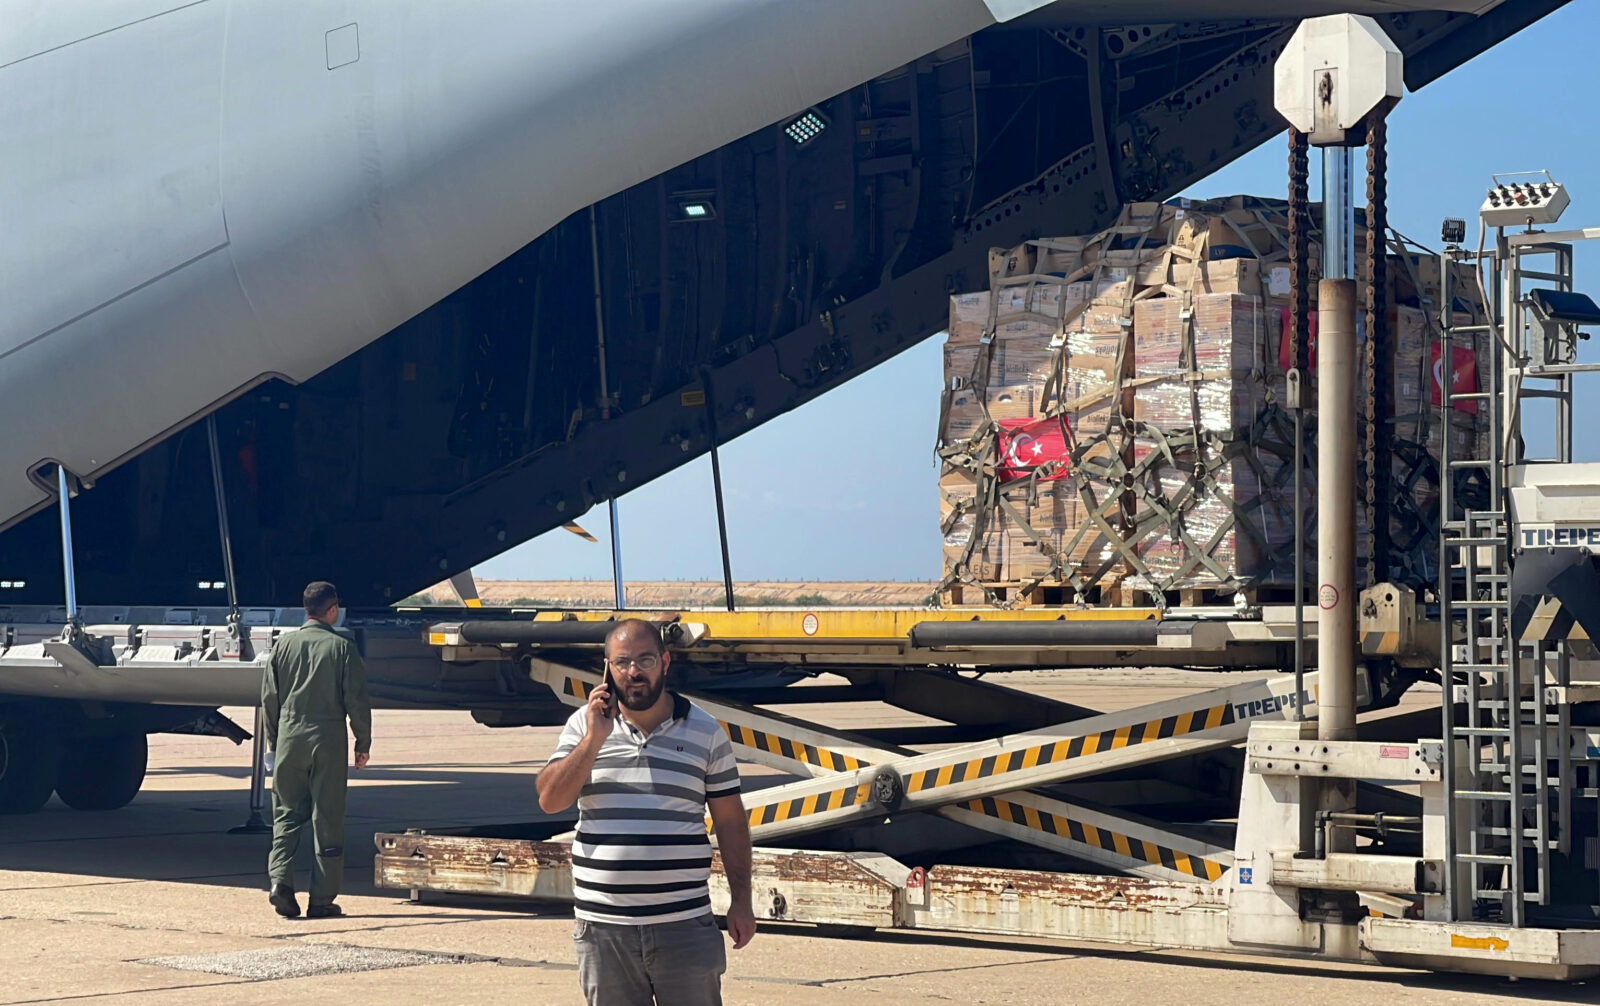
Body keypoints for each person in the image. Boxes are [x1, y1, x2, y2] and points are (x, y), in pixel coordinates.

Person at [537, 619, 755, 1006]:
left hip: (683, 926)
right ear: (607, 667)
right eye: (622, 663)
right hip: (604, 931)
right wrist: (593, 740)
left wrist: (742, 901)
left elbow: (731, 823)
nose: (633, 672)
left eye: (645, 659)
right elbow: (551, 799)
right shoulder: (582, 728)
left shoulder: (706, 732)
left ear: (665, 661)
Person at [260, 580, 373, 919]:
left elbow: (269, 699)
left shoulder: (283, 646)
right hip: (327, 739)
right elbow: (357, 701)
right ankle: (321, 900)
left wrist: (274, 743)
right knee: (327, 818)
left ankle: (280, 881)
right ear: (333, 610)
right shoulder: (342, 648)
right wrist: (362, 743)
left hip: (289, 738)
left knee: (286, 815)